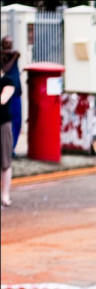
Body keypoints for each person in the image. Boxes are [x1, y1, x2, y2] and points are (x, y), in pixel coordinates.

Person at [1, 37, 21, 151]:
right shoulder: (5, 57)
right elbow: (5, 68)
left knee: (17, 122)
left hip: (16, 93)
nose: (9, 46)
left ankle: (12, 148)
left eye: (10, 43)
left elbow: (17, 52)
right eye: (6, 44)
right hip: (7, 95)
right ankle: (9, 150)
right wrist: (13, 57)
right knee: (9, 123)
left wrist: (14, 55)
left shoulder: (15, 54)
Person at [1, 68, 15, 207]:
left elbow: (3, 99)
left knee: (5, 162)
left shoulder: (7, 80)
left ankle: (5, 195)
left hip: (3, 124)